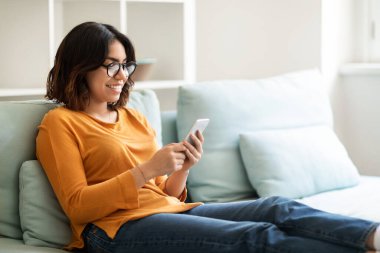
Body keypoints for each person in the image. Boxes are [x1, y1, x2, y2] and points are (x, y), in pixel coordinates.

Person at [36, 21, 380, 253]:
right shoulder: (60, 123)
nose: (122, 75)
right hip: (111, 231)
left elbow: (163, 195)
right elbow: (78, 207)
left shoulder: (134, 117)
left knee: (275, 207)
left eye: (126, 65)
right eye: (111, 65)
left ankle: (372, 236)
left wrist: (183, 167)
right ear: (80, 66)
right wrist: (146, 170)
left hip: (171, 210)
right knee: (255, 237)